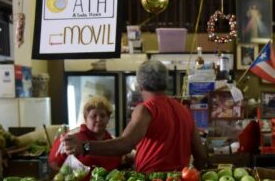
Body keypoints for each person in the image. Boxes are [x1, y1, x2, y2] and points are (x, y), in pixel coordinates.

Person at [62, 60, 208, 173]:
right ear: (165, 82)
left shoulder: (146, 109)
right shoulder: (184, 110)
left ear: (139, 85)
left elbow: (125, 145)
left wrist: (84, 146)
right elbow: (201, 156)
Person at [49, 95, 122, 174]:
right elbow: (53, 164)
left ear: (108, 119)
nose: (98, 119)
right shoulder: (70, 138)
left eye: (102, 116)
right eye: (94, 116)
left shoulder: (112, 142)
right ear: (85, 118)